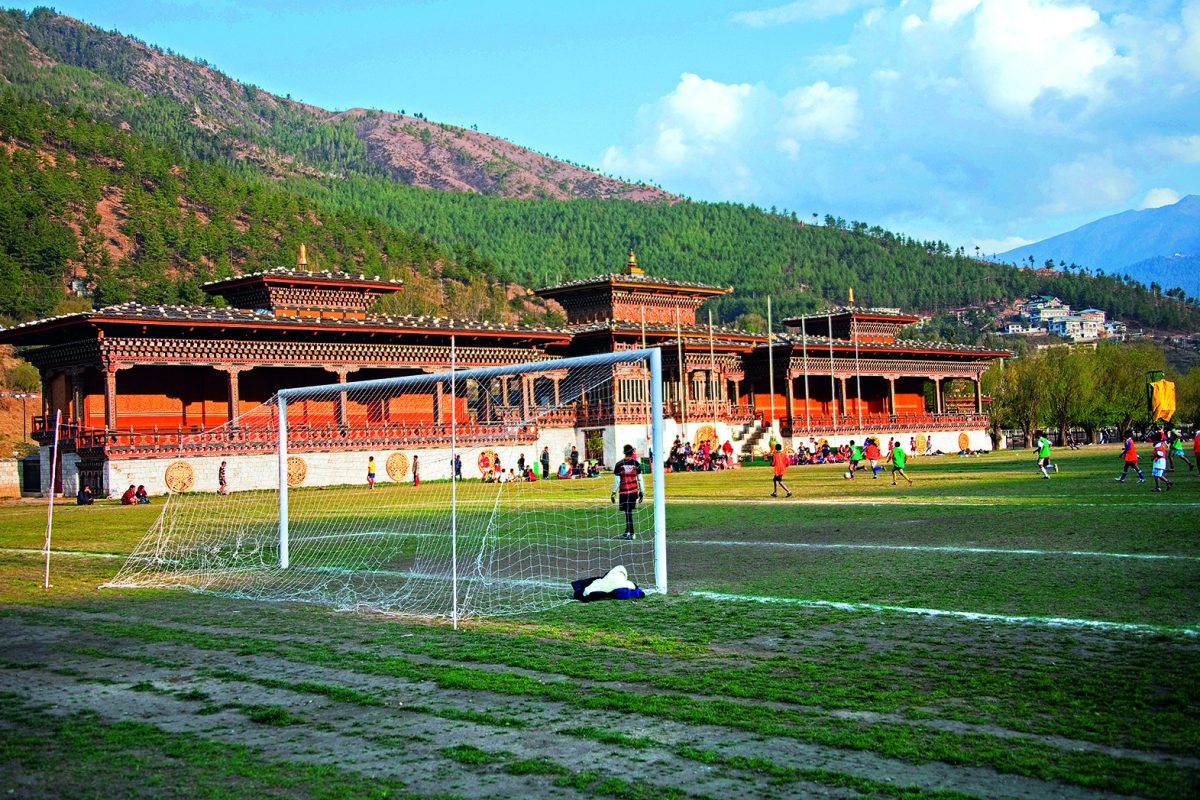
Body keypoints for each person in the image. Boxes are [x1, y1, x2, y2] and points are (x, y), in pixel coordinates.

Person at [611, 444, 644, 539]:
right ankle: (627, 531)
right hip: (634, 491)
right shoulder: (636, 463)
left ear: (624, 452)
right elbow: (640, 478)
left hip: (624, 492)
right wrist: (641, 491)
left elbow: (617, 480)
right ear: (632, 452)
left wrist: (613, 493)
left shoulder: (619, 464)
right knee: (628, 511)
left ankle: (631, 532)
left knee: (628, 511)